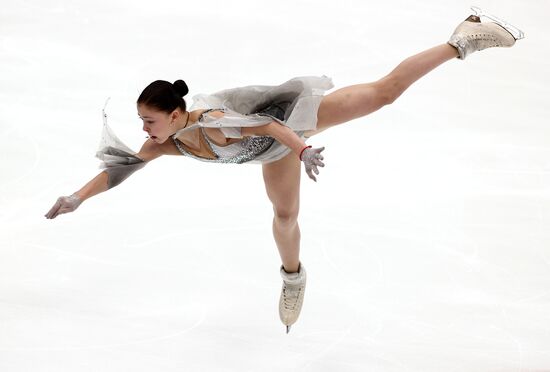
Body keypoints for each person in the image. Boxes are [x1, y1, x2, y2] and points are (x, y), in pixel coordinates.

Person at [45, 7, 524, 334]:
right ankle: (293, 278)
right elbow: (118, 169)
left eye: (148, 120)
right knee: (286, 218)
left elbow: (271, 125)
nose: (143, 130)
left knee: (382, 94)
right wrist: (76, 198)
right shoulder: (163, 143)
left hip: (287, 126)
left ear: (175, 115)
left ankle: (465, 37)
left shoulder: (214, 122)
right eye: (141, 121)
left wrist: (301, 151)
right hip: (269, 154)